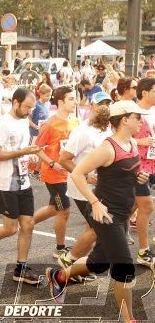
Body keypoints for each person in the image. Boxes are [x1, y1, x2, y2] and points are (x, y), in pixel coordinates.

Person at [46, 101, 150, 323]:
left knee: (100, 262)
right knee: (124, 267)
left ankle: (59, 275)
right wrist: (94, 202)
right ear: (124, 119)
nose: (140, 121)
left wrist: (138, 177)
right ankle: (129, 319)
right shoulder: (107, 148)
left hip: (121, 213)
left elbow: (127, 173)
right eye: (137, 117)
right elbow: (77, 174)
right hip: (107, 214)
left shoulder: (131, 143)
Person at [0, 88, 43, 284]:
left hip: (24, 181)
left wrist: (29, 156)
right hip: (5, 183)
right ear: (15, 102)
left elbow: (21, 150)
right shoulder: (3, 123)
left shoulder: (23, 120)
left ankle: (21, 269)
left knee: (28, 225)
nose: (29, 111)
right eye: (27, 107)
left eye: (32, 107)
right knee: (9, 229)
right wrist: (22, 151)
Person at [57, 91, 113, 281]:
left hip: (102, 188)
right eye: (100, 103)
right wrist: (86, 175)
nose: (104, 106)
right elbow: (64, 159)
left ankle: (79, 266)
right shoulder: (83, 131)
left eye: (107, 103)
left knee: (98, 230)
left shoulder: (109, 128)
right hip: (82, 189)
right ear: (91, 107)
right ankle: (68, 262)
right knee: (96, 229)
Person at [33, 86, 79, 257]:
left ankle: (27, 223)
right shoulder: (50, 124)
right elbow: (36, 148)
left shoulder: (75, 122)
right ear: (60, 102)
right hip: (53, 174)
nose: (75, 102)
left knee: (54, 207)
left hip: (68, 173)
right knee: (64, 210)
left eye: (75, 98)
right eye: (71, 99)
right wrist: (52, 163)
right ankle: (60, 249)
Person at [131, 77, 155, 267]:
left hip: (150, 164)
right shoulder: (132, 112)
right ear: (145, 92)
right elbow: (115, 137)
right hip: (134, 167)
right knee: (146, 206)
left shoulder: (153, 111)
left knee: (127, 209)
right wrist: (139, 142)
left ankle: (104, 235)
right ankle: (143, 251)